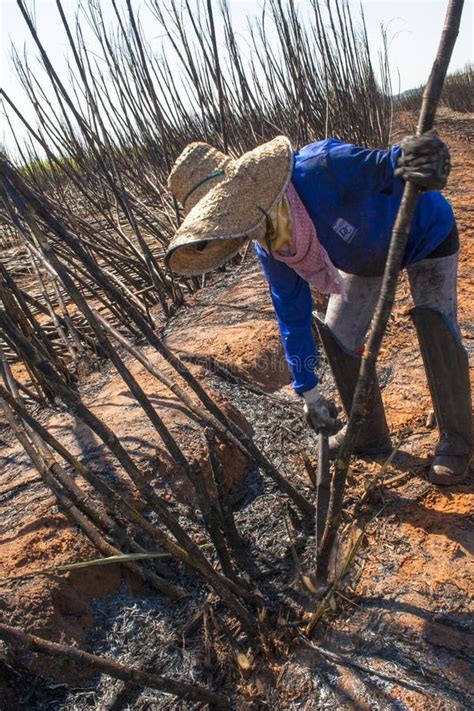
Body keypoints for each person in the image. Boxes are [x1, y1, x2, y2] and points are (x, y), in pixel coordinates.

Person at [165, 131, 472, 486]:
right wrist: (309, 392)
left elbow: (384, 165)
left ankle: (457, 439)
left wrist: (415, 157)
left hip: (425, 233)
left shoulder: (320, 166)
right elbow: (291, 317)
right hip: (367, 259)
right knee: (339, 334)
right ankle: (368, 435)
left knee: (436, 325)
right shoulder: (272, 244)